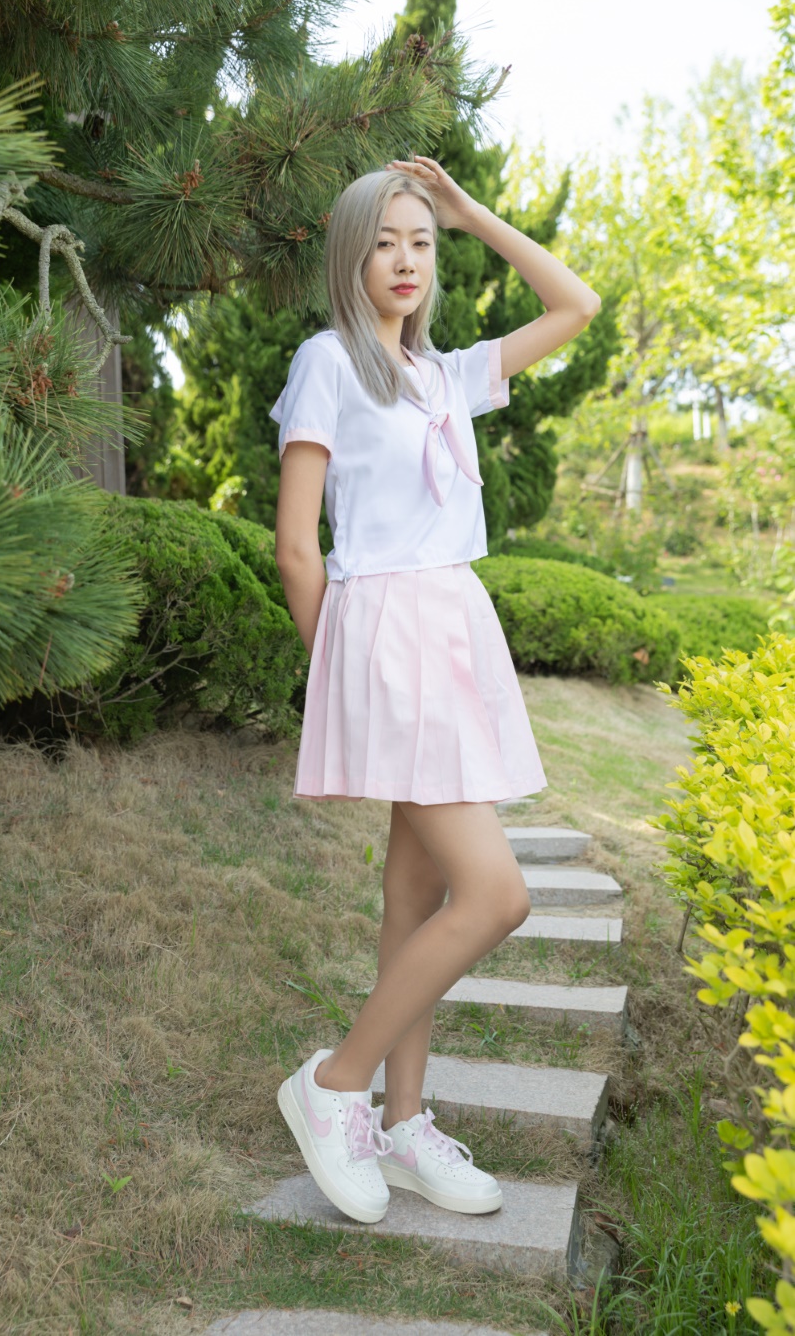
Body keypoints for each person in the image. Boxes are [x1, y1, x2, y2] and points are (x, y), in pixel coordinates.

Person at [270, 153, 601, 1226]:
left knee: (415, 900)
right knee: (497, 896)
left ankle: (403, 1123)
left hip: (453, 629)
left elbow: (577, 305)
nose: (406, 260)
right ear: (349, 257)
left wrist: (470, 212)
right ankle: (335, 1087)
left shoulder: (447, 375)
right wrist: (341, 676)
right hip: (385, 637)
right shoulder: (329, 362)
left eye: (421, 242)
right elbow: (296, 545)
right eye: (384, 242)